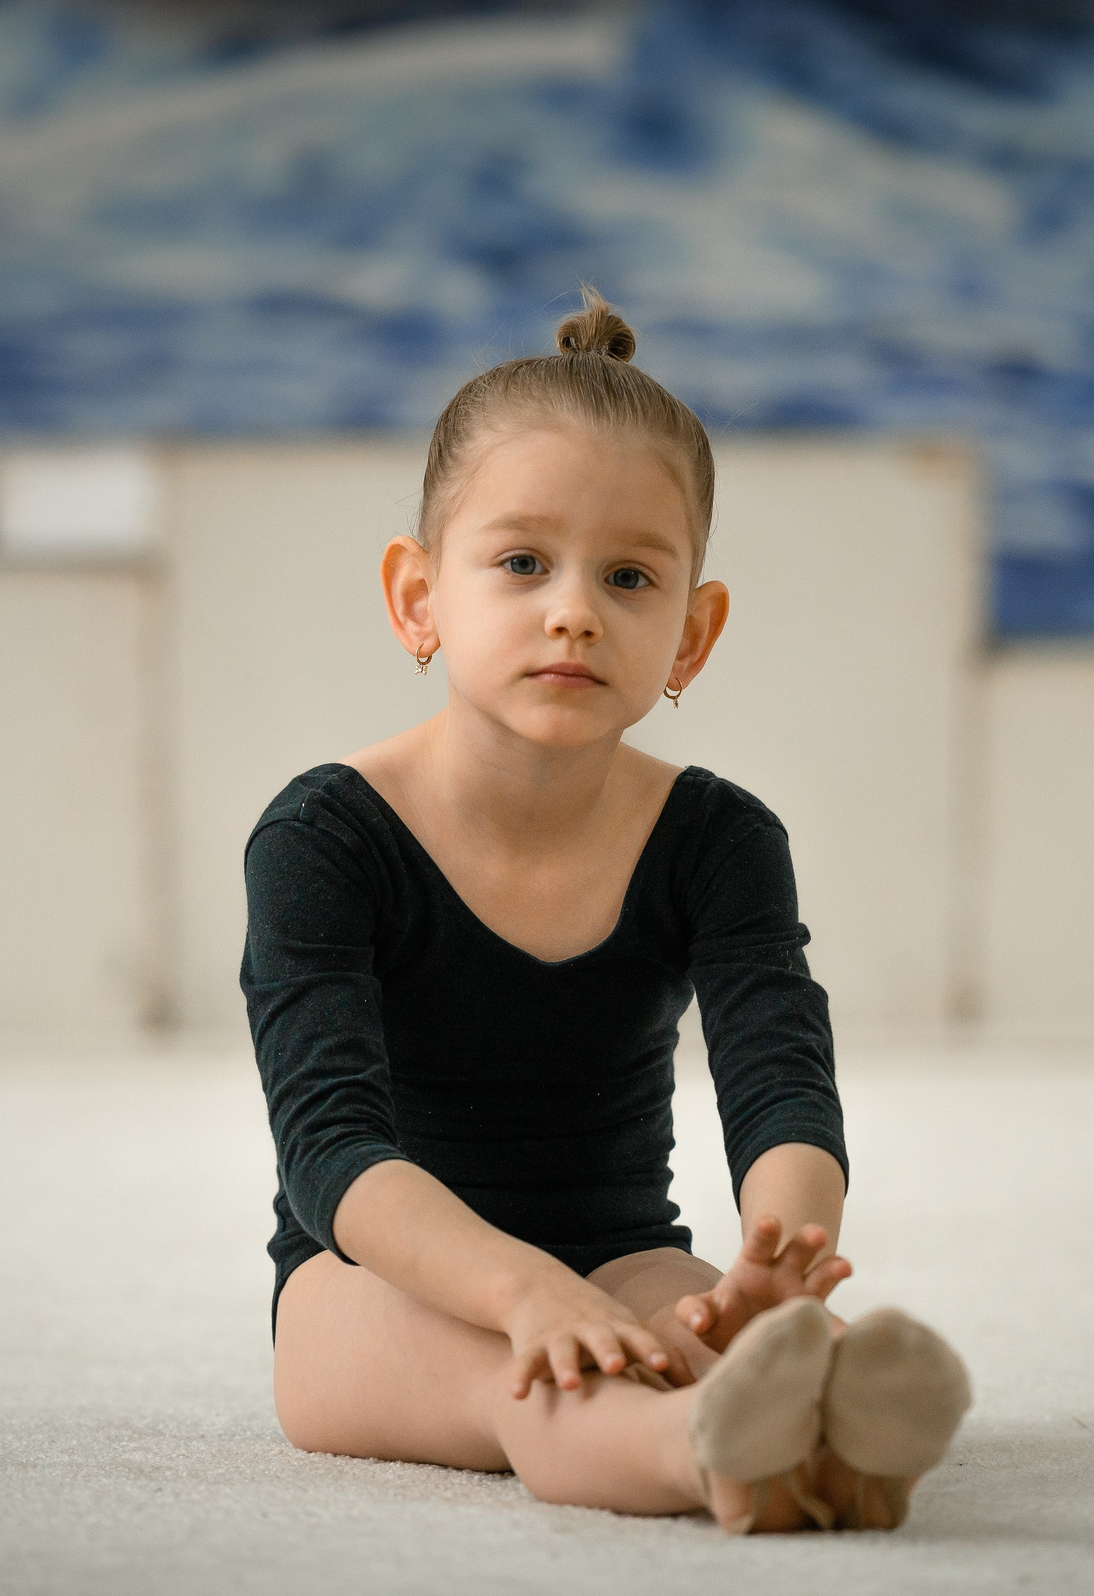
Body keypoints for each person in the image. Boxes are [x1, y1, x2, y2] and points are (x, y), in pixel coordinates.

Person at [240, 289, 971, 1534]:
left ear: (692, 630)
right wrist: (524, 1289)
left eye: (628, 575)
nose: (573, 606)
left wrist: (773, 1258)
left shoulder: (720, 839)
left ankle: (828, 1421)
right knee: (546, 1378)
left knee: (707, 1330)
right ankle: (711, 1454)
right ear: (418, 596)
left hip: (623, 1246)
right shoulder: (324, 835)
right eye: (522, 561)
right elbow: (332, 1148)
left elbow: (781, 1077)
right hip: (366, 1284)